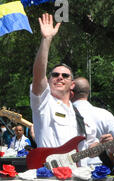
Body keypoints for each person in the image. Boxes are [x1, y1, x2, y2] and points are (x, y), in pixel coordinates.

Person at [30, 13, 98, 165]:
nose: (60, 77)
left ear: (72, 84)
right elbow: (38, 75)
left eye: (65, 76)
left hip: (77, 176)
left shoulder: (80, 115)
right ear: (48, 80)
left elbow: (86, 148)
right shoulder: (44, 103)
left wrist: (100, 147)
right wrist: (46, 40)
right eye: (55, 74)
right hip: (50, 175)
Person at [71, 77, 114, 168]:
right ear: (88, 93)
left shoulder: (65, 113)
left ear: (71, 93)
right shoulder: (105, 114)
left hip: (69, 167)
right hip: (99, 169)